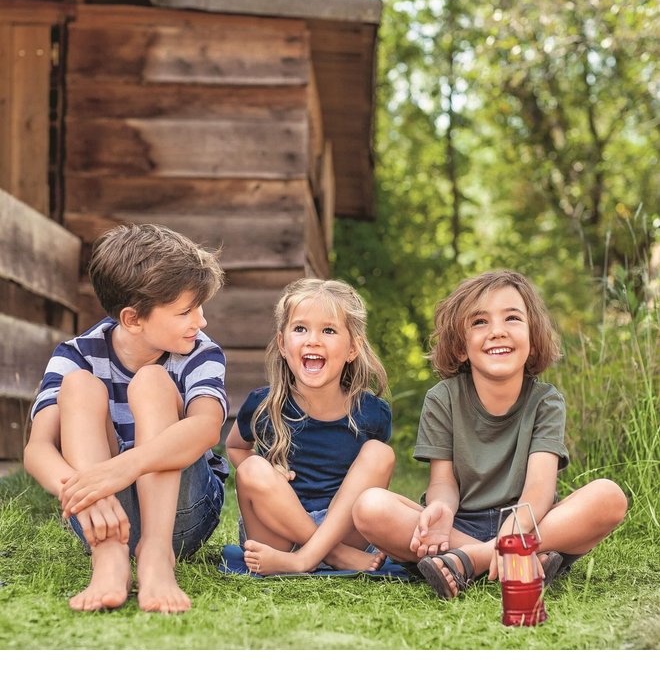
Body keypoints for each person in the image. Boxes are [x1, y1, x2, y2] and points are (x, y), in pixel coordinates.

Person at [352, 269, 628, 599]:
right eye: (480, 322)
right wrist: (441, 508)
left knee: (609, 497)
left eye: (512, 318)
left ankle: (473, 560)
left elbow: (539, 489)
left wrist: (515, 533)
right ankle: (522, 561)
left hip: (531, 524)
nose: (497, 331)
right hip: (459, 527)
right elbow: (443, 482)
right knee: (369, 507)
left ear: (533, 336)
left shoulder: (546, 401)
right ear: (460, 348)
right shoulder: (443, 398)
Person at [23, 223, 229, 613]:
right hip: (101, 519)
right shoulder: (76, 353)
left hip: (184, 516)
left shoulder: (200, 352)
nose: (199, 321)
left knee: (152, 381)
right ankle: (109, 557)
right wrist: (84, 493)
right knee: (79, 386)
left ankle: (156, 555)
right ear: (133, 319)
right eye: (185, 311)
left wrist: (122, 468)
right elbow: (37, 449)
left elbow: (206, 427)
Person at [226, 277, 394, 575]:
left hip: (341, 528)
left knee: (381, 454)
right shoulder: (262, 405)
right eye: (300, 329)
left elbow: (370, 481)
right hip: (278, 531)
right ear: (282, 343)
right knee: (252, 469)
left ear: (353, 348)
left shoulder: (372, 413)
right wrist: (269, 472)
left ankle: (313, 556)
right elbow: (235, 447)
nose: (312, 340)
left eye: (328, 330)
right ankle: (334, 556)